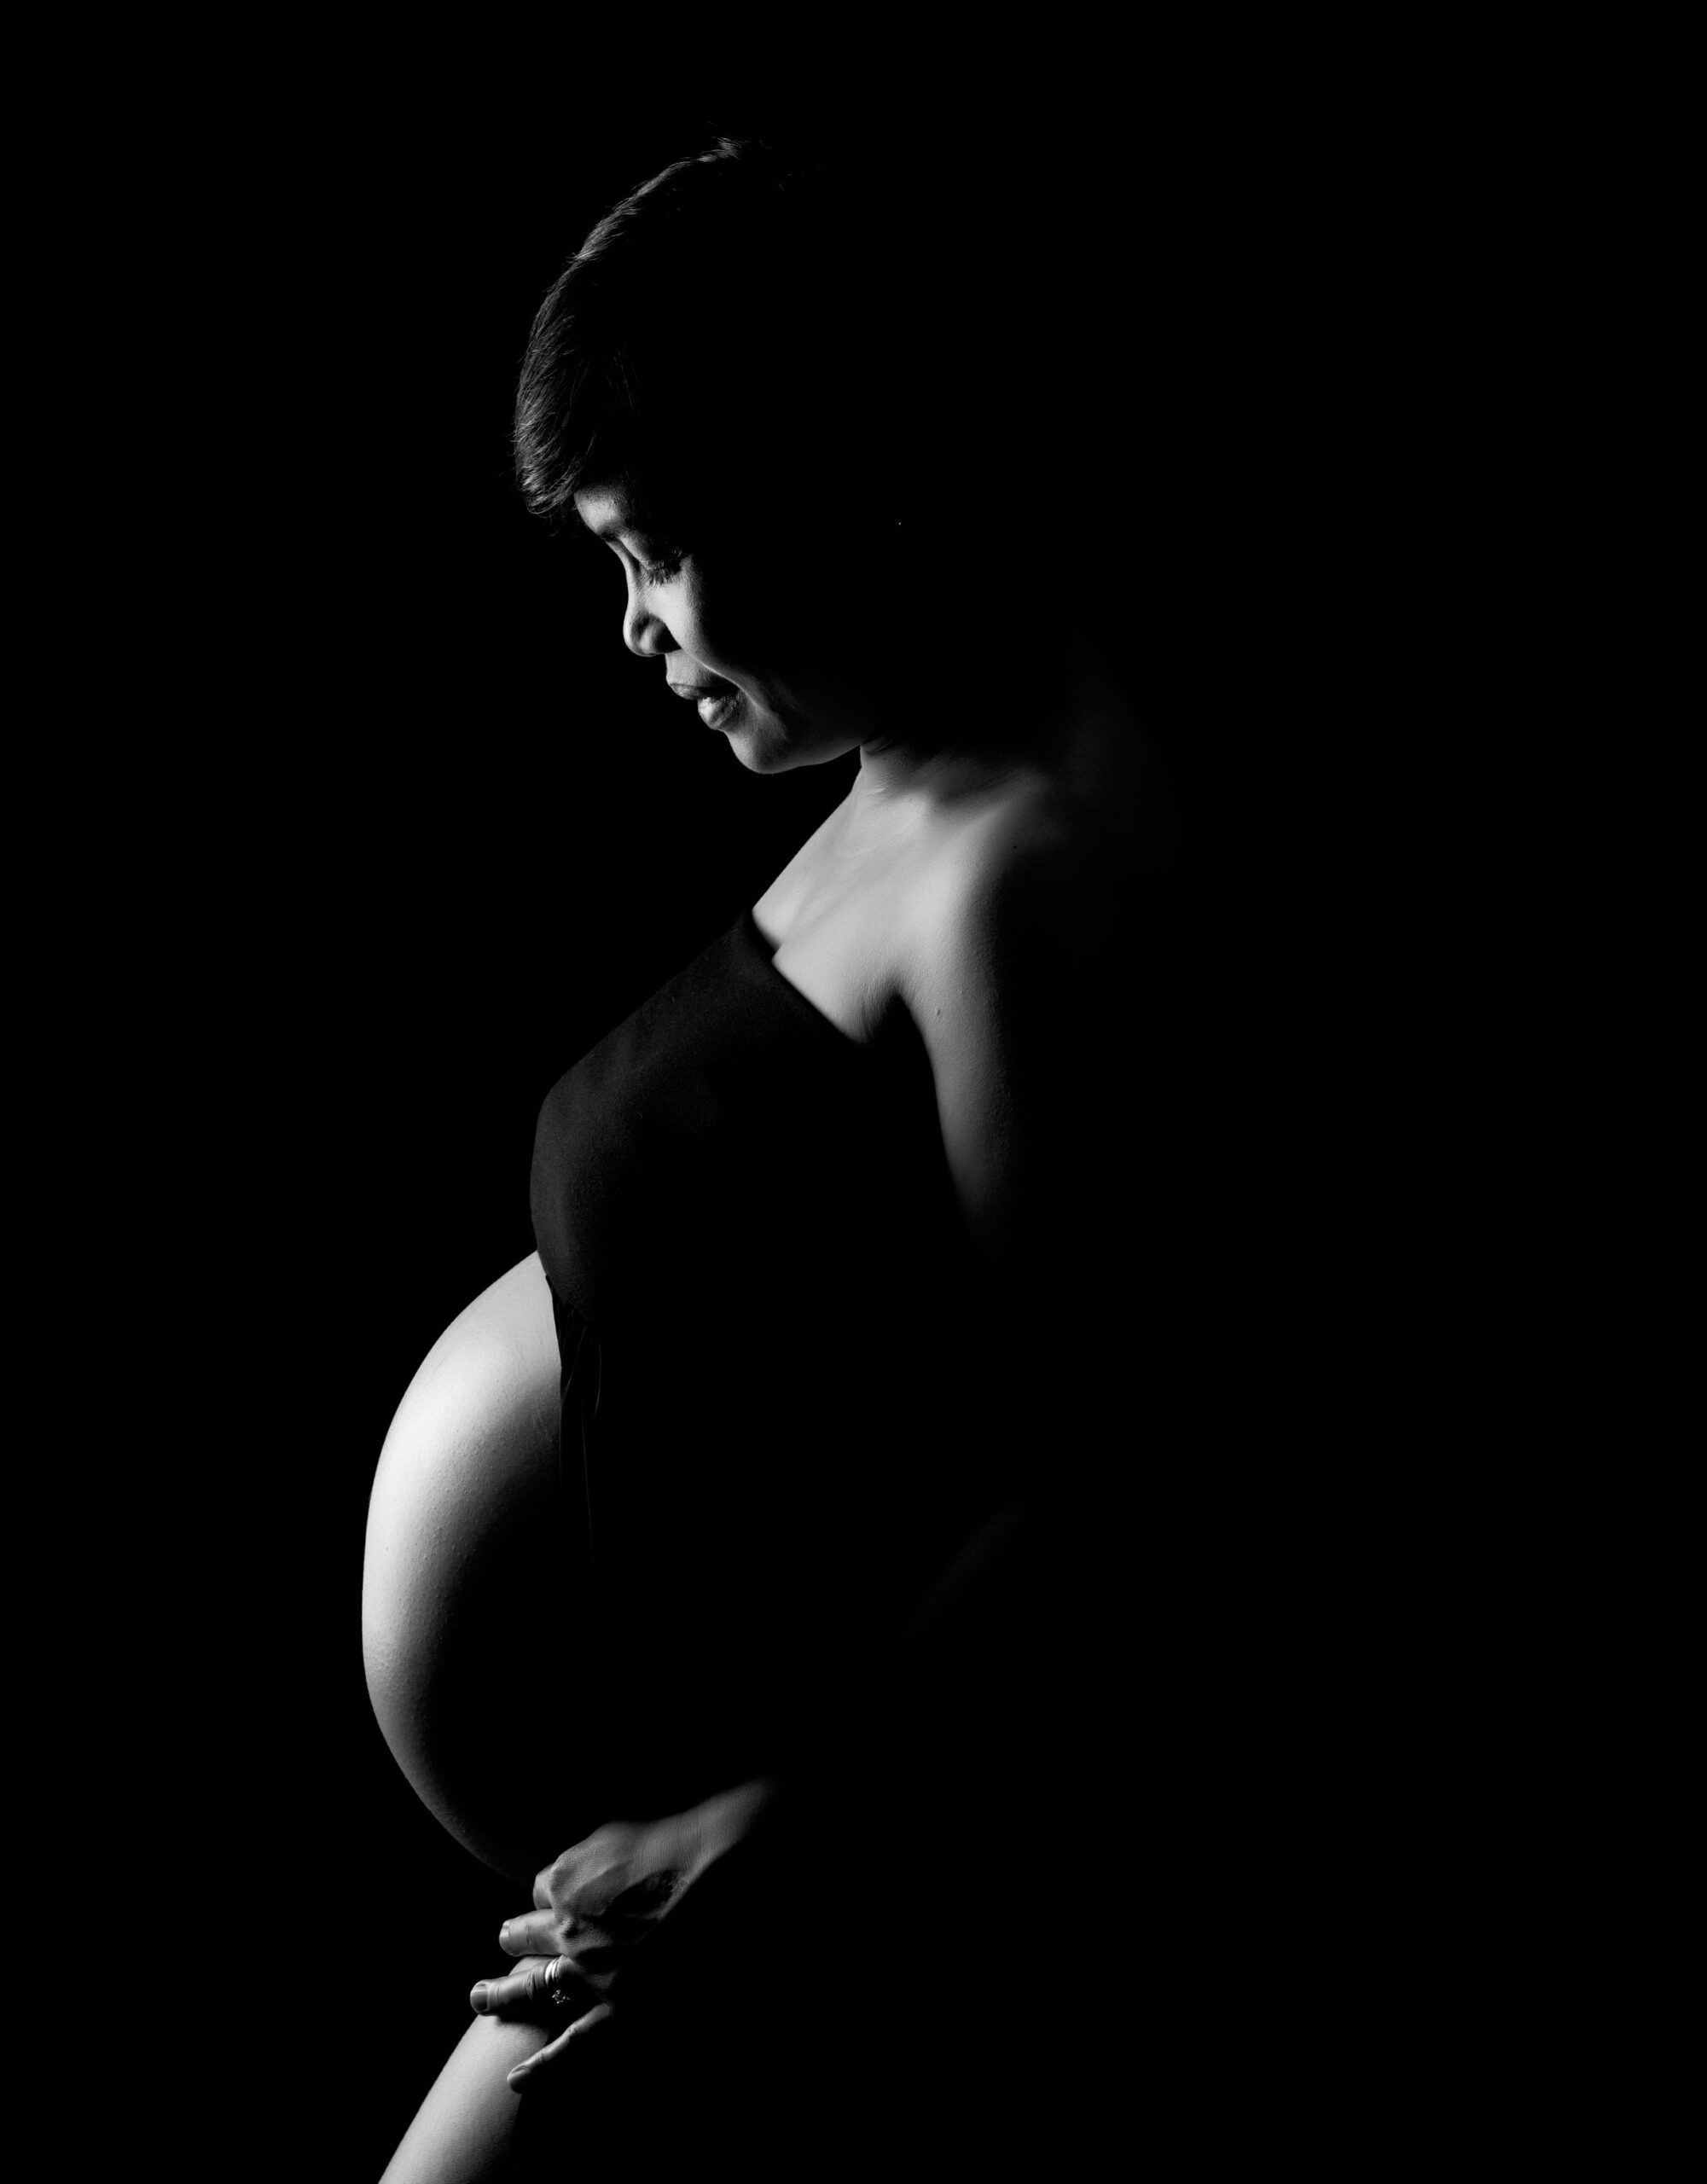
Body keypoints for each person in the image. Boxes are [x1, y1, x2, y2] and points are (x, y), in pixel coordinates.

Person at [363, 133, 1241, 2178]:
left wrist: (769, 1827)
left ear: (864, 477)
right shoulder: (905, 771)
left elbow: (1134, 1465)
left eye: (657, 549)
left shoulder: (1033, 871)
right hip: (662, 1857)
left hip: (752, 1888)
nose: (633, 626)